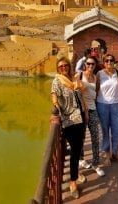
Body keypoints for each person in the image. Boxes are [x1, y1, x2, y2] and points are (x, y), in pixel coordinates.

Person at [51, 56, 86, 199]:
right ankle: (73, 182)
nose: (64, 68)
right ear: (58, 69)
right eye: (61, 66)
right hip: (68, 120)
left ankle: (75, 174)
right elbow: (54, 95)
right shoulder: (57, 81)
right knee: (75, 150)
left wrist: (86, 112)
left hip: (80, 117)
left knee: (78, 149)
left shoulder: (73, 79)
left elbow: (81, 93)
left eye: (65, 65)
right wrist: (55, 106)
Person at [77, 55, 105, 176]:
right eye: (88, 64)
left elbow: (97, 92)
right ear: (85, 64)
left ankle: (95, 163)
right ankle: (81, 159)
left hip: (93, 110)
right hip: (82, 111)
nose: (90, 66)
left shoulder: (95, 77)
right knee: (81, 137)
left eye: (92, 64)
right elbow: (74, 90)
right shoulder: (79, 75)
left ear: (95, 66)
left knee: (95, 137)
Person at [96, 53, 118, 166]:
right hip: (103, 105)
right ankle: (107, 155)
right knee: (105, 131)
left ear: (114, 61)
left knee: (117, 130)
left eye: (111, 60)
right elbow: (96, 90)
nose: (109, 62)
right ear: (103, 62)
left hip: (115, 105)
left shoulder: (117, 72)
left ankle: (115, 153)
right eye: (106, 61)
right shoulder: (99, 74)